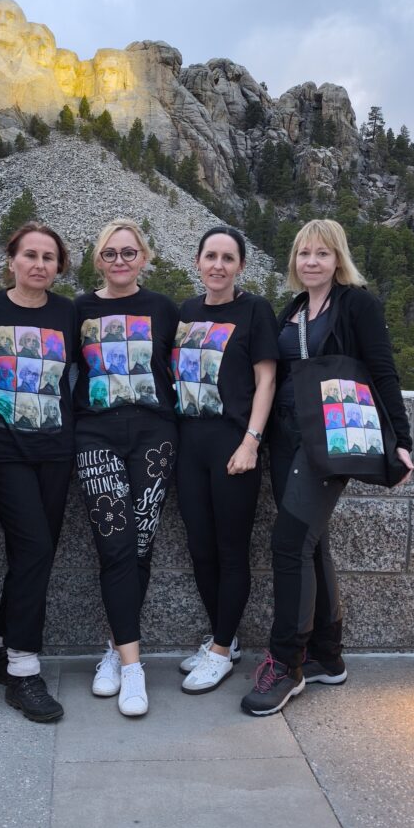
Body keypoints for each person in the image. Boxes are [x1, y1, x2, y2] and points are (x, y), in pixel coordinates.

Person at [241, 219, 414, 717]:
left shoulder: (356, 303)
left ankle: (286, 665)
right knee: (312, 547)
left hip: (328, 443)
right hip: (286, 439)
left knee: (289, 544)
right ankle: (327, 657)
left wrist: (400, 440)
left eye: (321, 253)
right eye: (303, 254)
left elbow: (382, 370)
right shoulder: (293, 309)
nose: (311, 262)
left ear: (338, 258)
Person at [0, 222, 76, 723]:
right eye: (29, 254)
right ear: (11, 260)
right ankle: (24, 671)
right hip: (3, 453)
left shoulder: (67, 314)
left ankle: (3, 644)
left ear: (59, 267)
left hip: (55, 451)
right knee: (34, 548)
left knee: (34, 554)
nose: (38, 264)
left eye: (49, 257)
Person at [75, 219, 178, 717]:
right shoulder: (79, 310)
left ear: (145, 257)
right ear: (98, 259)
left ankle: (117, 650)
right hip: (95, 435)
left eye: (129, 253)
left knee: (140, 544)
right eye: (111, 253)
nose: (120, 261)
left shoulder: (163, 308)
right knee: (114, 545)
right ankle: (133, 669)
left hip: (155, 436)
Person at [174, 227, 278, 694]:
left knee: (232, 550)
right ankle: (226, 636)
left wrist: (251, 442)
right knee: (200, 547)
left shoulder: (255, 310)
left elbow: (266, 382)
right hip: (189, 445)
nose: (218, 265)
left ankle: (218, 653)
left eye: (228, 258)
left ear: (240, 266)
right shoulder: (186, 312)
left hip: (233, 446)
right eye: (210, 256)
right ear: (197, 262)